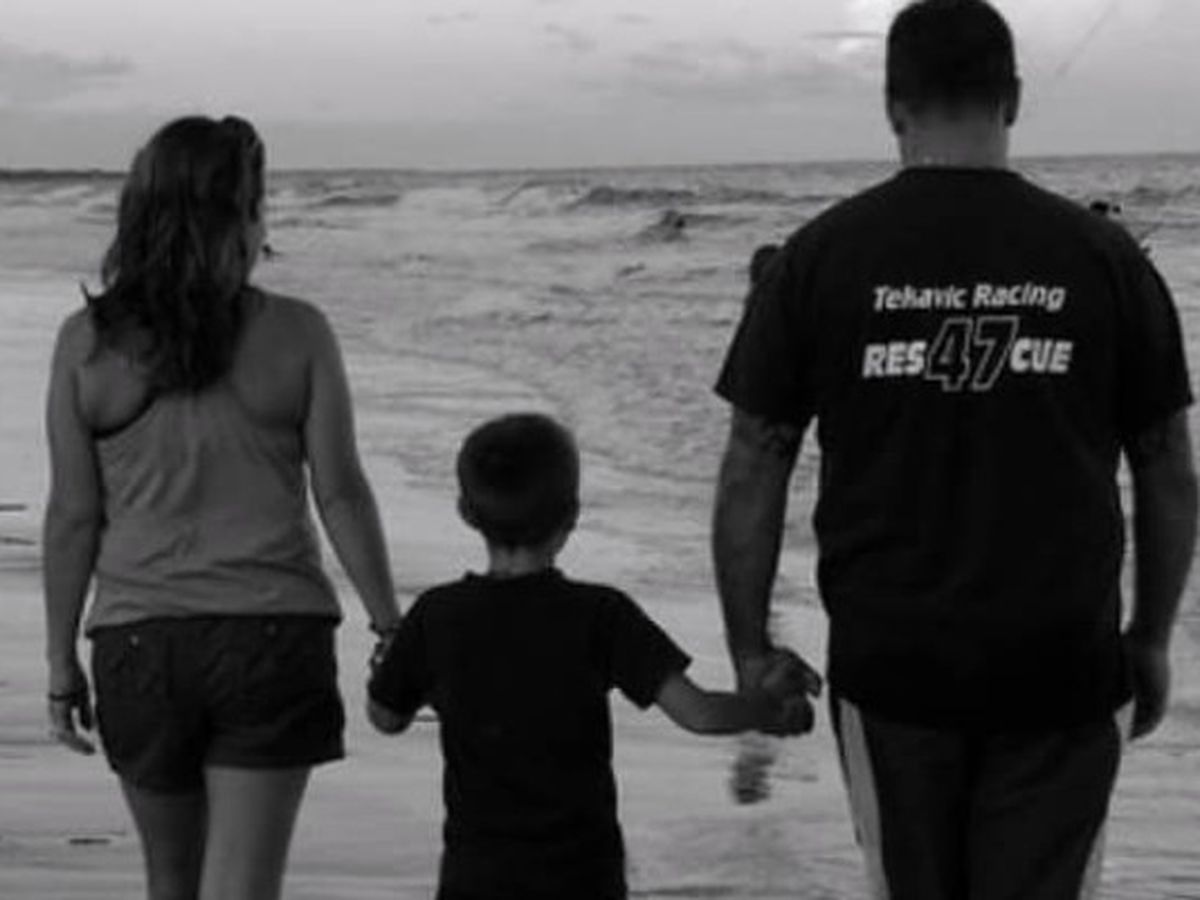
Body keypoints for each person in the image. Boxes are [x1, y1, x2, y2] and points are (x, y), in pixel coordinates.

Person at [711, 2, 1198, 899]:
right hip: (1062, 664)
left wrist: (750, 649)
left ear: (892, 105)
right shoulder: (1105, 257)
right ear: (1012, 99)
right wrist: (1152, 637)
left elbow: (754, 462)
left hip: (894, 669)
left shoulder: (819, 258)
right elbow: (1166, 461)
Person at [43, 115, 402, 900]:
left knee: (170, 883)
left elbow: (73, 517)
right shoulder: (298, 333)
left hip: (138, 642)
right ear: (240, 216)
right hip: (271, 637)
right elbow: (340, 492)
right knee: (242, 887)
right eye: (258, 202)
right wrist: (388, 622)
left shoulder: (85, 345)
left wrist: (61, 660)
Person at [368, 413, 815, 900]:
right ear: (572, 516)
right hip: (582, 877)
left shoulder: (437, 615)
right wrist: (769, 708)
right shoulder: (601, 614)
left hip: (475, 879)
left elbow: (385, 717)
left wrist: (400, 667)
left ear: (465, 512)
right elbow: (701, 715)